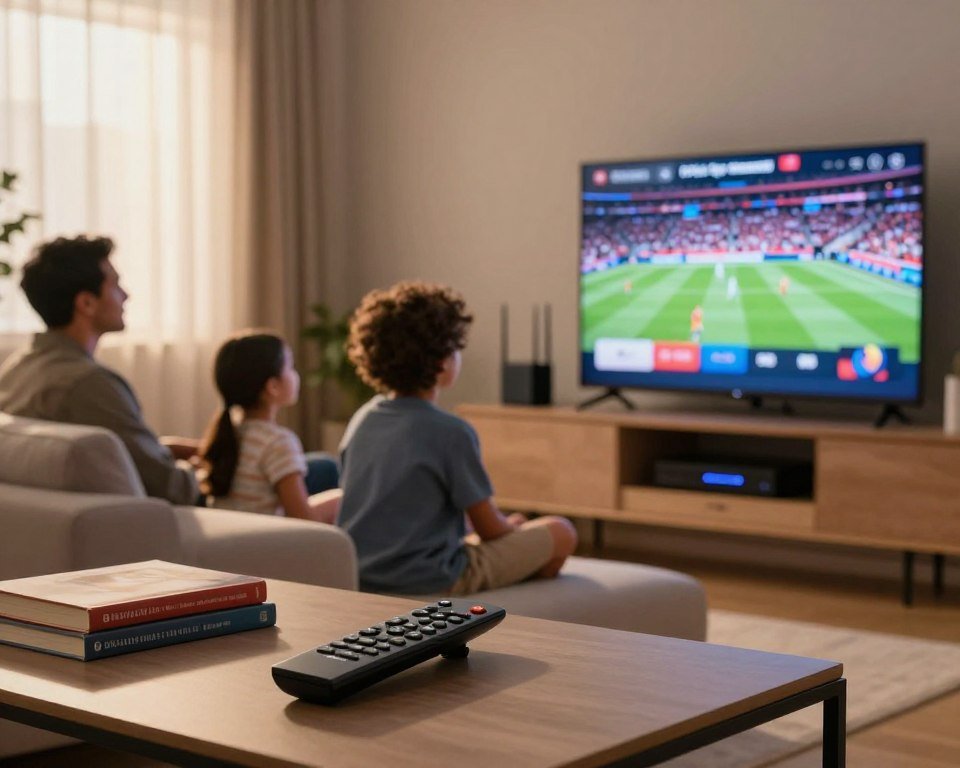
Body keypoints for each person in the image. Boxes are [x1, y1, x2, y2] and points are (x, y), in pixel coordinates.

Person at [337, 280, 578, 596]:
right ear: (441, 363)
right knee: (561, 531)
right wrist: (513, 529)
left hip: (362, 575)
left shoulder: (363, 419)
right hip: (433, 578)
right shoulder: (451, 431)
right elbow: (490, 529)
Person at [0, 235, 199, 504]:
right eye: (115, 285)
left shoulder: (17, 368)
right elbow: (169, 487)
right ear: (86, 303)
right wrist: (208, 472)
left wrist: (166, 450)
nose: (126, 295)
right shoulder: (90, 384)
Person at [199, 331, 341, 522]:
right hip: (268, 544)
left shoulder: (230, 433)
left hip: (233, 542)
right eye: (290, 367)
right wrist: (343, 499)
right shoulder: (279, 442)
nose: (295, 374)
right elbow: (303, 519)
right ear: (273, 387)